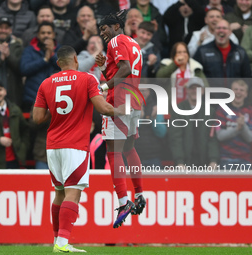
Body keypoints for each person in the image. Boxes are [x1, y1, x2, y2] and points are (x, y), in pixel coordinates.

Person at [33, 45, 118, 252]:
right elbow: (103, 108)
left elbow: (37, 118)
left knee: (59, 193)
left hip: (53, 146)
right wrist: (124, 111)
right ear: (76, 60)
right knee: (74, 192)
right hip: (75, 145)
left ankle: (56, 241)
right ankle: (62, 243)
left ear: (58, 63)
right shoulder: (87, 79)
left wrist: (57, 111)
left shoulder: (46, 83)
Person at [95, 10, 146, 228]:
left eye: (104, 28)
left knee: (113, 151)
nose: (102, 33)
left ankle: (124, 202)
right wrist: (104, 68)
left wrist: (102, 87)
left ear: (116, 26)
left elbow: (124, 70)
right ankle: (139, 194)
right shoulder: (133, 43)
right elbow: (123, 71)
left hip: (119, 102)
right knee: (129, 149)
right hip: (134, 101)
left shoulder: (115, 41)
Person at [169, 77, 219, 168]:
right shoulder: (178, 109)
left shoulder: (210, 111)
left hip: (205, 162)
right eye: (192, 88)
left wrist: (213, 160)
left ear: (203, 91)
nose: (195, 91)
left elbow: (212, 137)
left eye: (198, 88)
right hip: (184, 163)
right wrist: (179, 161)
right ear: (187, 90)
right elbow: (176, 138)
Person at [216, 79, 252, 168]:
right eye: (235, 89)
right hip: (225, 159)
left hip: (245, 160)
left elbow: (250, 138)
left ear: (246, 94)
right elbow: (220, 136)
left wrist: (243, 126)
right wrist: (237, 128)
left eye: (242, 90)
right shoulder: (221, 110)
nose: (238, 92)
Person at [20, 21, 60, 112]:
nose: (46, 35)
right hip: (32, 98)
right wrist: (44, 60)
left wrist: (52, 55)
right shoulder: (29, 50)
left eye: (49, 33)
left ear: (53, 35)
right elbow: (24, 69)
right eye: (43, 33)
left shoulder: (61, 50)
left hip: (57, 100)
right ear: (38, 35)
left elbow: (67, 67)